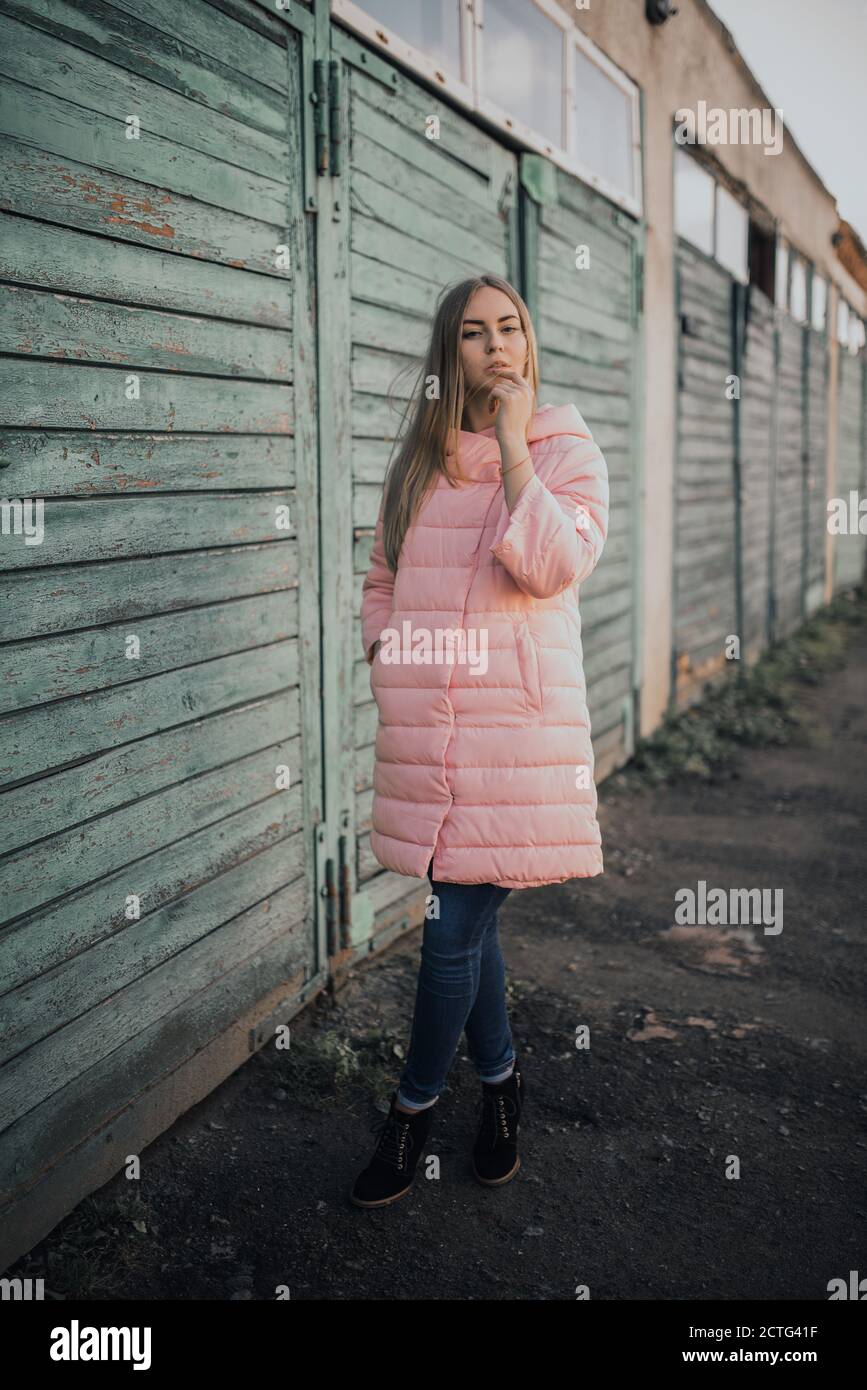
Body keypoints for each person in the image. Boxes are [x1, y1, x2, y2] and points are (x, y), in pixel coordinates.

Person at [350, 272, 609, 1208]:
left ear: (529, 344)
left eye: (510, 327)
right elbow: (380, 575)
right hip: (430, 736)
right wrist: (386, 649)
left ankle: (411, 1109)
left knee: (451, 924)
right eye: (472, 332)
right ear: (448, 352)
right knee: (469, 924)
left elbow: (550, 562)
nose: (495, 345)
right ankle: (501, 1087)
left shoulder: (564, 449)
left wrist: (512, 445)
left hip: (516, 741)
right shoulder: (416, 461)